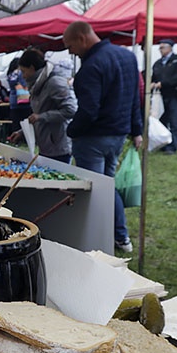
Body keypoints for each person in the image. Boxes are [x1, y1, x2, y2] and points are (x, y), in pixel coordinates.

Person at [62, 21, 143, 254]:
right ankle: (120, 236)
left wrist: (71, 131)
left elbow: (89, 111)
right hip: (118, 135)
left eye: (70, 45)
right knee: (107, 186)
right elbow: (134, 99)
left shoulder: (91, 67)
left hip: (93, 139)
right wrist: (136, 129)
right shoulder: (127, 57)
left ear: (82, 38)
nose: (70, 52)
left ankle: (98, 241)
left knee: (95, 192)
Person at [7, 48, 77, 164]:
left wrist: (42, 116)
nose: (23, 76)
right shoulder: (37, 84)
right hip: (46, 146)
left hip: (59, 147)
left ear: (32, 68)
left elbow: (71, 110)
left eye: (24, 72)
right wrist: (22, 132)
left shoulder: (54, 82)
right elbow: (38, 115)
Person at [150, 39, 177, 154]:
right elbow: (154, 77)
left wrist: (163, 83)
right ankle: (164, 142)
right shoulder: (157, 63)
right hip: (161, 96)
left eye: (162, 47)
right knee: (162, 120)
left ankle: (173, 146)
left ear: (170, 48)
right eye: (160, 48)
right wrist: (153, 83)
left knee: (174, 121)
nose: (160, 50)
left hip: (175, 95)